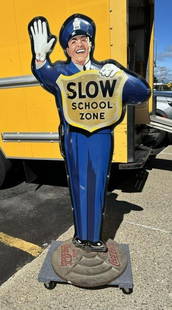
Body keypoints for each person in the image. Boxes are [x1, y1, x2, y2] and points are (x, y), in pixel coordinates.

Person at [28, 14, 151, 252]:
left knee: (95, 185)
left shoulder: (105, 70)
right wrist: (40, 57)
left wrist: (118, 74)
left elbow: (142, 92)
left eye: (84, 39)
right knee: (77, 185)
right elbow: (45, 74)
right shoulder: (62, 72)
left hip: (101, 137)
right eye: (74, 41)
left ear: (91, 43)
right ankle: (80, 236)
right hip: (74, 137)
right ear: (66, 48)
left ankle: (92, 237)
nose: (80, 45)